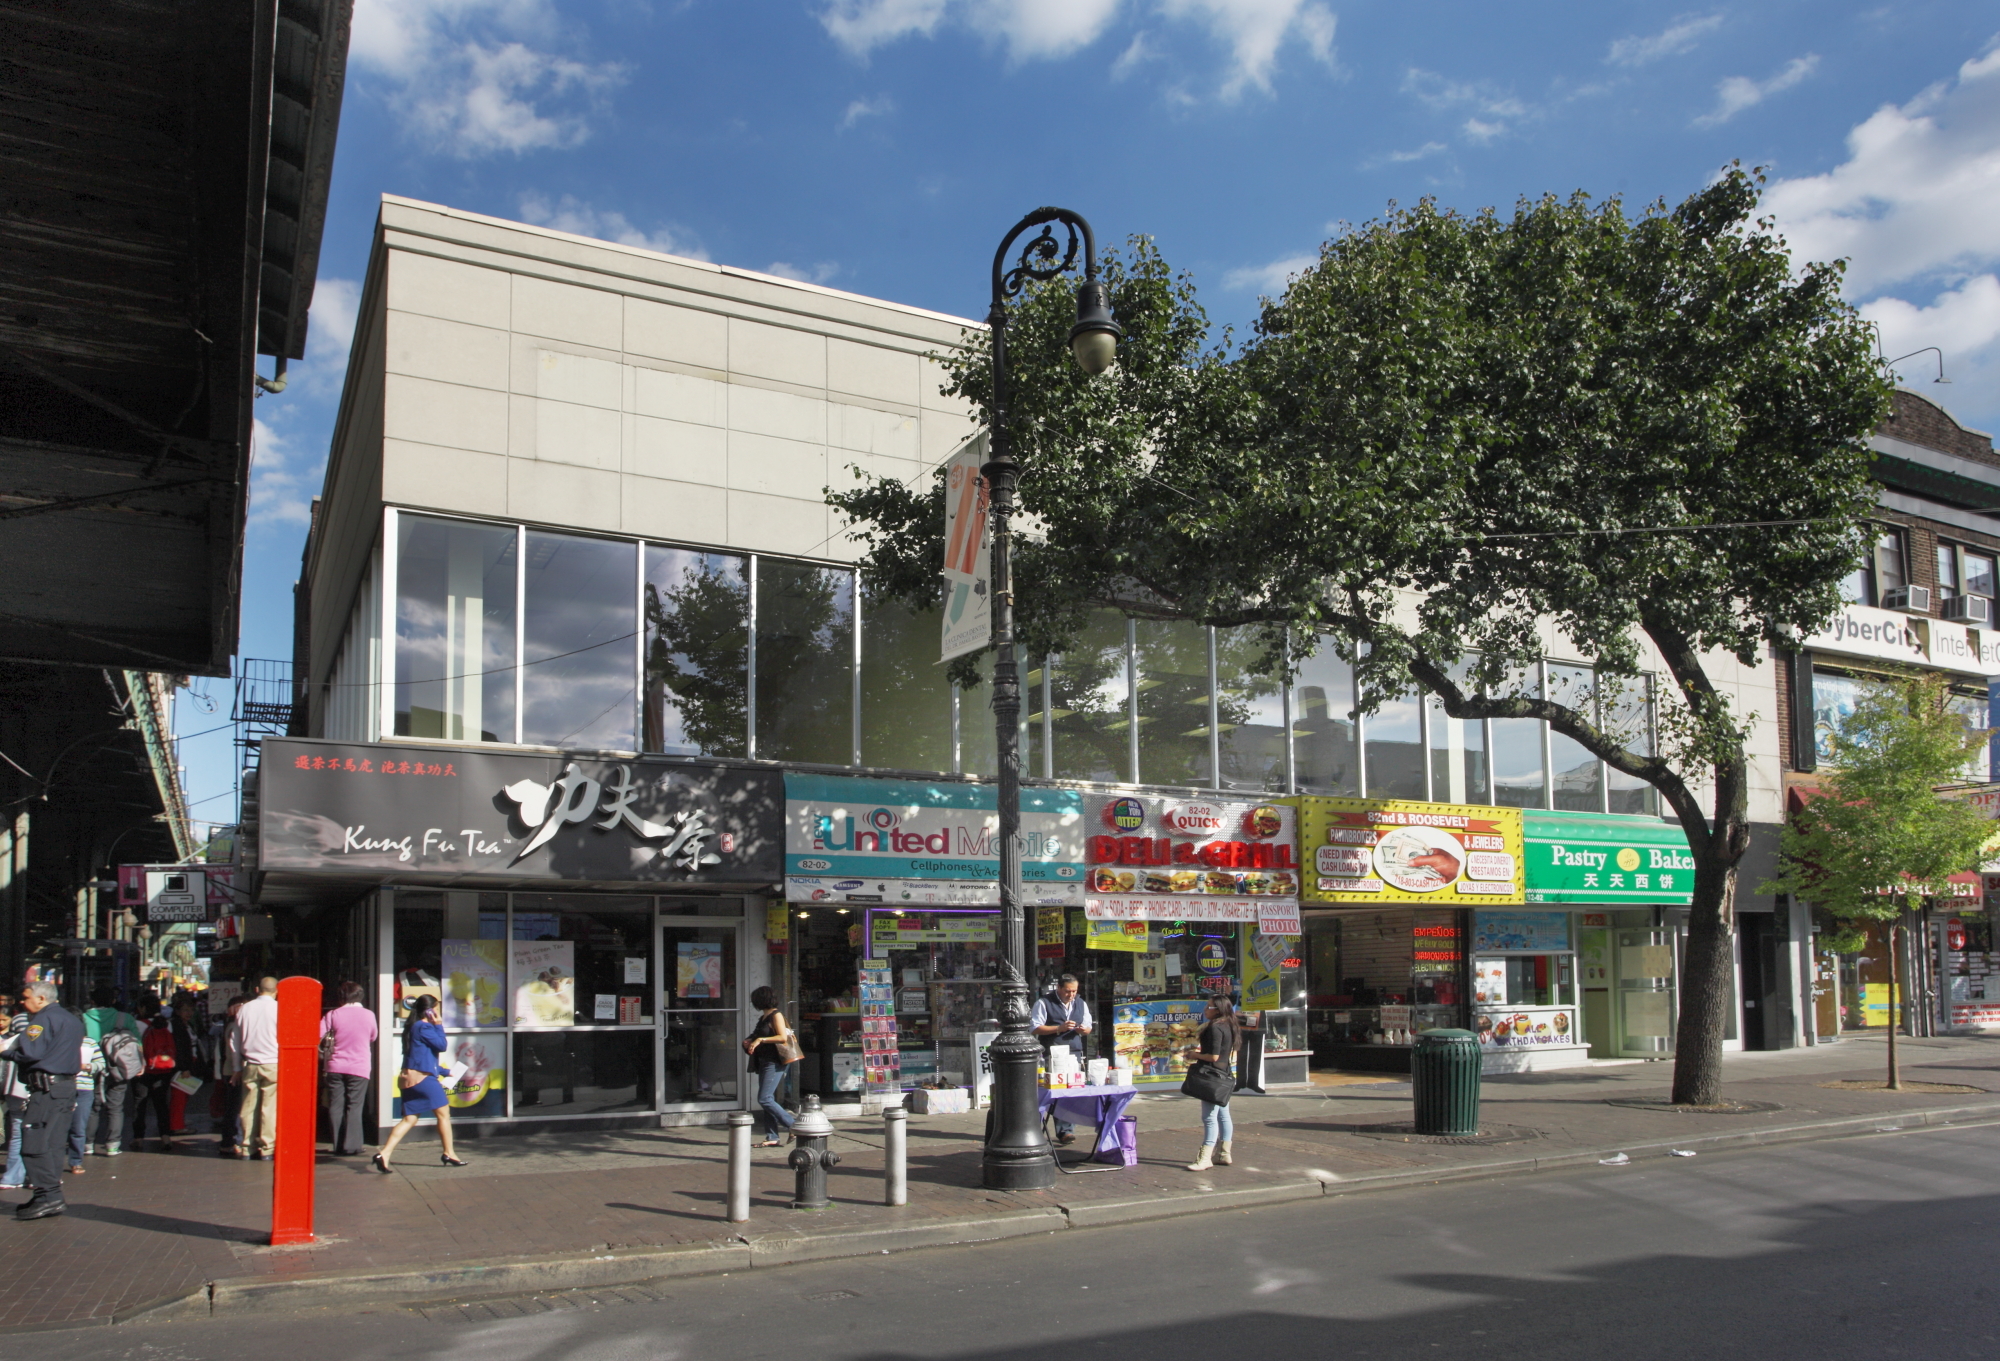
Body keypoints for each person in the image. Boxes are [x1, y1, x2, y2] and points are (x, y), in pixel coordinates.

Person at [0, 980, 85, 1219]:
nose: (22, 1003)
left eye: (26, 998)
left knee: (34, 1142)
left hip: (47, 1090)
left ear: (41, 998)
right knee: (53, 1144)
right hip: (65, 1087)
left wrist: (6, 1051)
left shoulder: (43, 1019)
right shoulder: (71, 1019)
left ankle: (48, 1196)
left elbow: (31, 1052)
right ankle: (46, 1196)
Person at [372, 995, 465, 1172]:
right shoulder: (424, 1027)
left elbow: (420, 1057)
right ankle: (449, 1153)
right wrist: (438, 1025)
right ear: (430, 1011)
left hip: (410, 1078)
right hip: (423, 1079)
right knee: (444, 1114)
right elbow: (442, 1045)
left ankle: (384, 1154)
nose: (439, 1012)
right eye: (436, 1008)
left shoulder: (413, 1027)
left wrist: (446, 1072)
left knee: (410, 1119)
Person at [1031, 974, 1093, 1146]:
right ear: (1058, 988)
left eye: (1074, 991)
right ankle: (1035, 1128)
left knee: (1069, 1092)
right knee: (1050, 1092)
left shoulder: (1081, 1003)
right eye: (1067, 991)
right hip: (1052, 1052)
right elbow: (1034, 1027)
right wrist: (1059, 1028)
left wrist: (1082, 1030)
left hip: (1074, 1052)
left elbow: (1088, 1028)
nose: (1071, 995)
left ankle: (1066, 1131)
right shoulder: (1044, 1003)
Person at [1184, 994, 1240, 1172]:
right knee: (1223, 1114)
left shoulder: (1214, 1028)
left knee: (1209, 1117)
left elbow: (1213, 1056)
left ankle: (1205, 1157)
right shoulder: (1230, 1025)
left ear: (1218, 1010)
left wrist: (1194, 1055)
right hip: (1224, 1075)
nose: (1205, 1010)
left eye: (1209, 1007)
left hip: (1212, 1077)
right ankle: (1224, 1153)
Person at [320, 981, 377, 1157]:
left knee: (336, 1105)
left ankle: (337, 1144)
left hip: (334, 1066)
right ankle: (352, 1146)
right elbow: (373, 1036)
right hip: (359, 1067)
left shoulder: (333, 1014)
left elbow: (318, 1035)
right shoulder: (369, 1015)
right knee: (354, 1105)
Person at [82, 985, 139, 1156]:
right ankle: (112, 1145)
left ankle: (88, 1144)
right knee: (115, 1106)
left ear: (92, 1001)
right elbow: (137, 1042)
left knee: (92, 1106)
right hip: (119, 1067)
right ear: (113, 1000)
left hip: (90, 1066)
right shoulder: (125, 1018)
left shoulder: (83, 1018)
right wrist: (140, 1065)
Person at [231, 976, 280, 1159]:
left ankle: (247, 1146)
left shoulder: (245, 1009)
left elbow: (234, 1040)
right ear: (276, 991)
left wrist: (236, 1067)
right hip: (274, 1063)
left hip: (250, 1063)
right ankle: (267, 1147)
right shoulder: (279, 1008)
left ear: (257, 990)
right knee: (269, 1107)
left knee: (248, 1107)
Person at [742, 985, 797, 1148]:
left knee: (764, 1098)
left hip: (775, 1061)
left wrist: (760, 1040)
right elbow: (758, 1034)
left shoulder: (776, 1015)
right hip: (765, 1060)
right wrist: (750, 1040)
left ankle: (793, 1125)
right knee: (768, 1098)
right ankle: (772, 1135)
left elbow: (782, 1037)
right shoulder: (763, 1018)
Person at [134, 1013, 177, 1148]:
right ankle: (165, 1137)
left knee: (140, 1104)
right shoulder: (168, 1027)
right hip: (164, 1070)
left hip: (143, 1070)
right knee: (161, 1104)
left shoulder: (139, 1025)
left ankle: (138, 1138)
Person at [212, 995, 248, 1157]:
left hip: (230, 1071)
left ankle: (229, 1140)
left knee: (232, 1107)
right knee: (235, 1108)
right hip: (234, 1072)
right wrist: (237, 1069)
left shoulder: (230, 1024)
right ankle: (230, 1141)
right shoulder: (235, 1025)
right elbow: (234, 1051)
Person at [167, 998, 209, 1136]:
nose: (189, 1013)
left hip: (189, 1062)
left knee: (184, 1094)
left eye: (191, 1010)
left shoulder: (186, 1024)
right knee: (179, 1095)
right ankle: (176, 1125)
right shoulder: (177, 1025)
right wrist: (183, 1068)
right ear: (177, 1011)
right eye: (185, 1010)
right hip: (182, 1065)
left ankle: (177, 1121)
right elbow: (179, 1048)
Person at [66, 1027, 101, 1175]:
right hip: (64, 1087)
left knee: (79, 1127)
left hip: (84, 1089)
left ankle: (76, 1161)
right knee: (58, 1127)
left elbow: (100, 1064)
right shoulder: (61, 1041)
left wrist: (87, 1066)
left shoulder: (90, 1043)